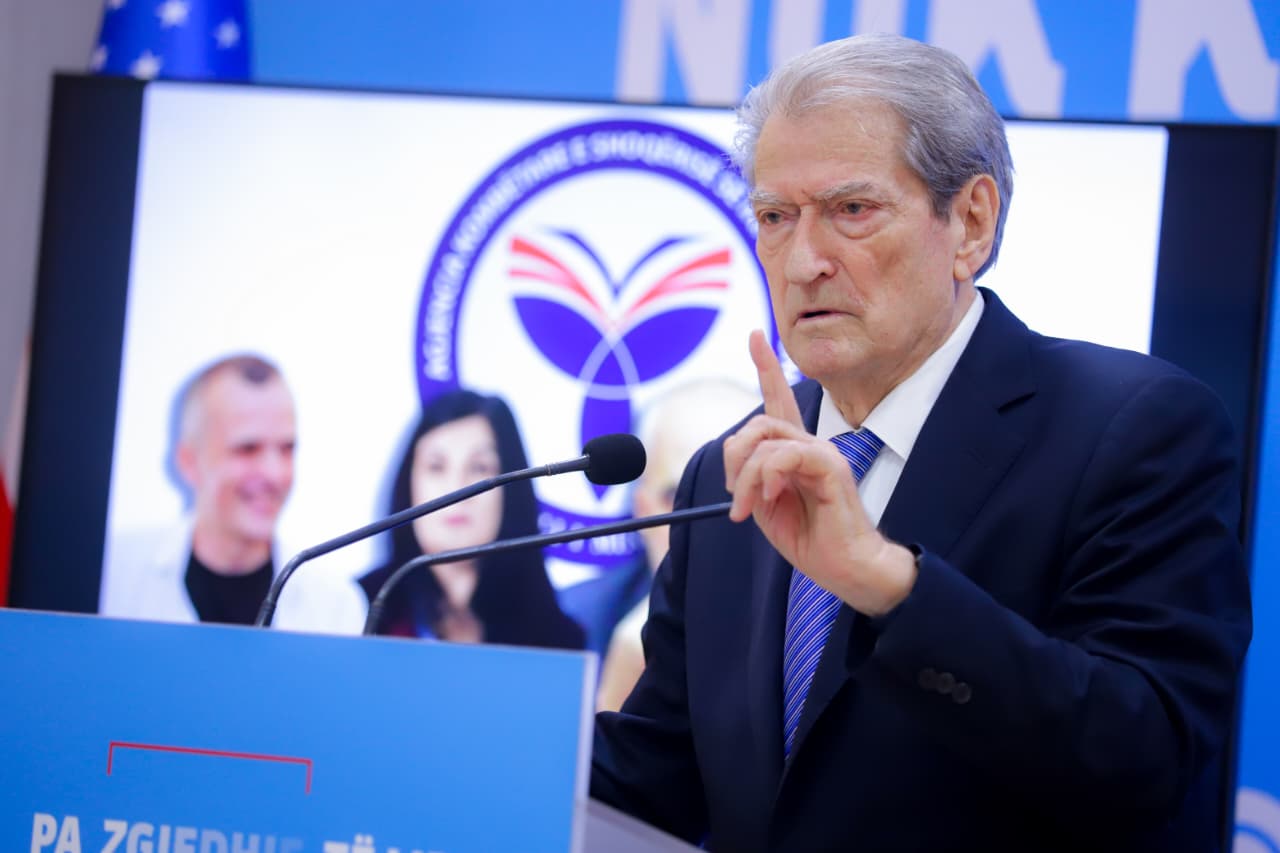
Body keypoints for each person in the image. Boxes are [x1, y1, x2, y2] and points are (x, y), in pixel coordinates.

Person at [590, 34, 1251, 852]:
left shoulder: (1134, 430)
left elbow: (1144, 759)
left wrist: (886, 582)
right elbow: (655, 777)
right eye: (775, 217)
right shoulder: (729, 470)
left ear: (971, 222)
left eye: (851, 210)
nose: (802, 262)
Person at [102, 354, 360, 630]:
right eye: (247, 449)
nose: (274, 474)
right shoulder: (112, 574)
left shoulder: (335, 604)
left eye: (287, 449)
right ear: (189, 462)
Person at [358, 389, 585, 649]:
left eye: (479, 468)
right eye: (436, 467)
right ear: (408, 483)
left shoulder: (557, 638)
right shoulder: (359, 608)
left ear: (512, 489)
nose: (457, 489)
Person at [594, 379, 757, 712]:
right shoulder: (576, 624)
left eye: (736, 492)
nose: (711, 523)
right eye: (680, 496)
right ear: (643, 510)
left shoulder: (820, 618)